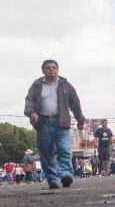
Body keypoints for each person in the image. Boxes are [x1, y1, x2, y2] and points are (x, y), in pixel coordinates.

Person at [24, 60, 85, 189]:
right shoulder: (36, 85)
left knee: (65, 149)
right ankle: (52, 179)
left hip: (61, 122)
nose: (51, 69)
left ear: (58, 70)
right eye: (48, 68)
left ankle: (66, 175)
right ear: (43, 71)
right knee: (46, 153)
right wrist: (31, 113)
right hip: (43, 123)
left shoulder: (65, 85)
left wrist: (80, 119)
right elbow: (29, 101)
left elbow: (75, 103)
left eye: (54, 67)